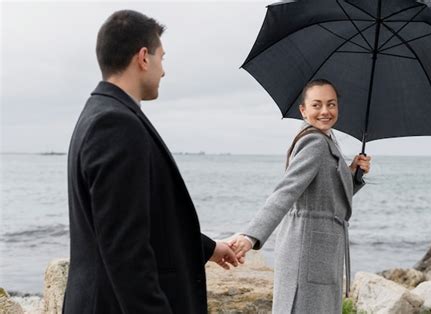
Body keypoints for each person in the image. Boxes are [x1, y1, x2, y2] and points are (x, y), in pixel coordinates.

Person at [64, 10, 240, 314]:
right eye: (162, 57)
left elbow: (145, 219)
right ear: (143, 57)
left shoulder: (100, 111)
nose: (163, 71)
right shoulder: (115, 124)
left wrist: (208, 248)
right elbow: (126, 251)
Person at [229, 79, 371, 313]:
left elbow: (328, 197)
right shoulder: (315, 142)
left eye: (331, 104)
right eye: (317, 105)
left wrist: (353, 173)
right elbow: (286, 192)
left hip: (318, 250)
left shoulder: (325, 140)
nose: (325, 111)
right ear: (303, 110)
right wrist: (250, 236)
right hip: (309, 252)